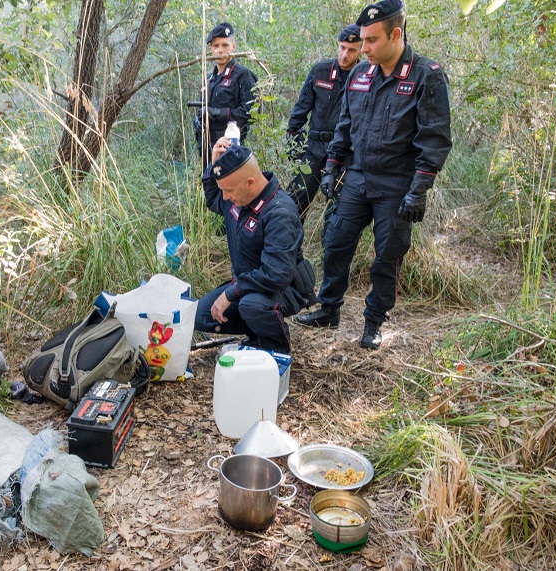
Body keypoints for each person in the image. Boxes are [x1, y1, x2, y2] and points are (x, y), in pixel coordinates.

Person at [294, 0, 452, 349]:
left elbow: (435, 139)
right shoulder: (360, 75)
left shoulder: (427, 76)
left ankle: (374, 322)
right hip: (357, 178)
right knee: (335, 242)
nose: (362, 48)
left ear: (396, 34)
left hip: (396, 185)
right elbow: (345, 125)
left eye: (370, 41)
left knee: (387, 256)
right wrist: (333, 166)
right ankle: (329, 308)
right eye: (361, 41)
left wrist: (419, 190)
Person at [194, 139, 316, 354]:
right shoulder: (237, 197)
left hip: (283, 287)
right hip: (249, 282)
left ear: (250, 182)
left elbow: (275, 274)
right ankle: (257, 334)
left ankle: (277, 350)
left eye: (228, 190)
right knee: (200, 315)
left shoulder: (279, 212)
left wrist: (231, 293)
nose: (225, 197)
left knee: (251, 306)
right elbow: (214, 198)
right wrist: (213, 167)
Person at [285, 24, 363, 225]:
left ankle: (328, 251)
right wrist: (293, 143)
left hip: (346, 154)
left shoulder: (367, 77)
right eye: (342, 47)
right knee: (293, 203)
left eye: (352, 50)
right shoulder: (320, 71)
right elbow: (300, 110)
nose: (345, 54)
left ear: (361, 50)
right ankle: (289, 249)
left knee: (337, 212)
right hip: (314, 148)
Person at [194, 23, 258, 167]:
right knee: (209, 187)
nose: (220, 50)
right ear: (210, 49)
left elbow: (251, 113)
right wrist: (198, 120)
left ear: (233, 47)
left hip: (230, 146)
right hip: (206, 147)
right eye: (216, 46)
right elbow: (202, 108)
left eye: (225, 45)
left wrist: (217, 113)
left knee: (228, 188)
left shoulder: (242, 75)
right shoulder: (209, 79)